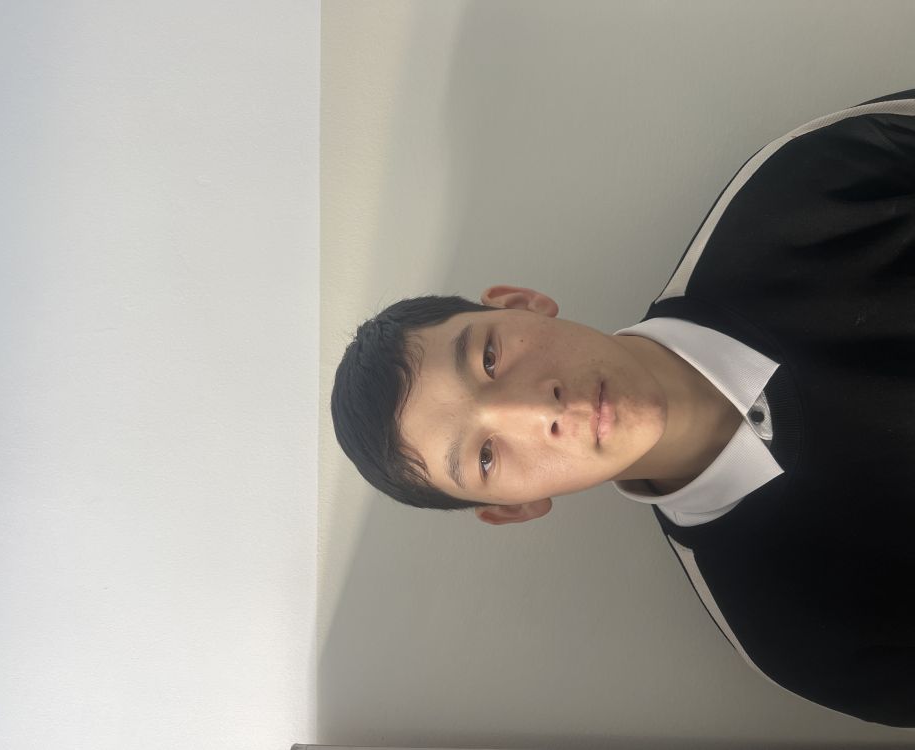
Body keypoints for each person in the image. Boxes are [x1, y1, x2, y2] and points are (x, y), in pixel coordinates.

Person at [331, 89, 915, 727]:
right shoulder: (794, 633)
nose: (535, 411)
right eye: (486, 457)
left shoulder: (809, 186)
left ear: (521, 303)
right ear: (516, 508)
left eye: (490, 358)